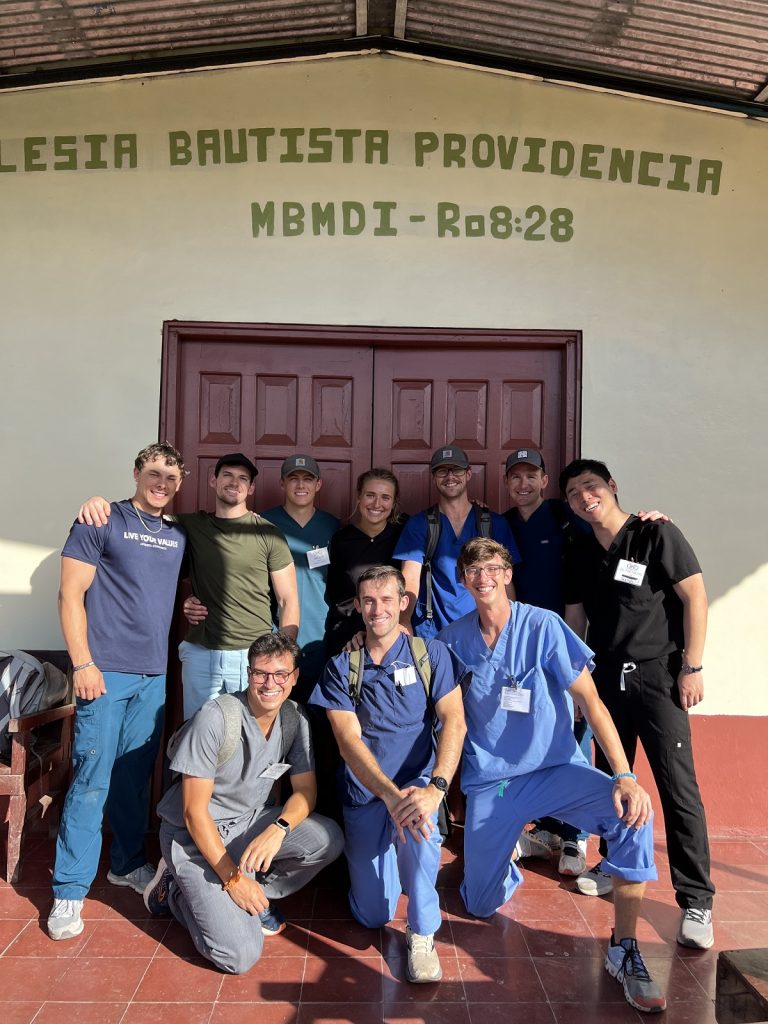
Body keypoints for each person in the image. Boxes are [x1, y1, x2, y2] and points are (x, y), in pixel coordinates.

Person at [438, 538, 666, 1014]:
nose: (483, 577)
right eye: (473, 570)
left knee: (633, 816)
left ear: (506, 574)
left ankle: (625, 949)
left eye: (492, 568)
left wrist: (624, 774)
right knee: (478, 904)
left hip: (557, 768)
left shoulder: (543, 626)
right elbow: (428, 688)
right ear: (463, 579)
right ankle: (503, 860)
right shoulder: (453, 638)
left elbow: (591, 702)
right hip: (494, 782)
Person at [560, 458, 715, 950]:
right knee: (614, 779)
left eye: (592, 486)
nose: (586, 497)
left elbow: (695, 597)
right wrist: (580, 684)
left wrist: (692, 666)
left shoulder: (655, 535)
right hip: (605, 678)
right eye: (574, 493)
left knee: (677, 789)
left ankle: (696, 900)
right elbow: (575, 619)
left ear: (611, 487)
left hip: (658, 679)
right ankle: (614, 864)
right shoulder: (579, 551)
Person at [48, 442, 188, 941]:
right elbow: (69, 594)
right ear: (136, 473)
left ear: (179, 484)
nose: (161, 483)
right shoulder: (100, 519)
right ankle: (68, 890)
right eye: (153, 473)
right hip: (103, 673)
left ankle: (126, 864)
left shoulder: (177, 533)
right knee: (92, 780)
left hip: (153, 675)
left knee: (132, 777)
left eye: (171, 477)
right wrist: (83, 663)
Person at [144, 632, 344, 974]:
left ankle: (252, 894)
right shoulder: (217, 718)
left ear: (294, 677)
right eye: (260, 674)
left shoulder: (294, 719)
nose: (270, 684)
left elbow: (305, 791)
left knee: (327, 839)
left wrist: (279, 829)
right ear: (248, 674)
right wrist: (233, 881)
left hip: (249, 825)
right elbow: (193, 814)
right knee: (238, 957)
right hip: (193, 838)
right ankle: (175, 890)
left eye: (280, 674)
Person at [309, 566, 466, 983]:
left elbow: (454, 721)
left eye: (386, 600)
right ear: (358, 607)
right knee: (373, 915)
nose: (378, 609)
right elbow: (348, 742)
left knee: (420, 825)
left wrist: (435, 788)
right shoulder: (343, 667)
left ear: (403, 603)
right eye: (369, 601)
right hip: (365, 795)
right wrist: (389, 795)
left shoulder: (429, 654)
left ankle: (423, 932)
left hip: (417, 787)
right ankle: (391, 870)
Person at [78, 452, 300, 719]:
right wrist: (100, 503)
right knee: (198, 738)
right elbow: (142, 520)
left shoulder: (268, 533)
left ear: (251, 488)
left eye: (243, 478)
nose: (234, 482)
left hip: (252, 655)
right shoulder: (186, 526)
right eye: (227, 475)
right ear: (213, 481)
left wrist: (281, 661)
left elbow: (288, 600)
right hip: (201, 655)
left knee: (250, 738)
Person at [503, 447, 593, 875]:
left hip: (564, 643)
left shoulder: (565, 517)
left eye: (531, 476)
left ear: (544, 480)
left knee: (575, 737)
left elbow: (608, 525)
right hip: (523, 649)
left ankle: (576, 836)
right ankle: (548, 829)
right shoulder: (502, 524)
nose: (523, 485)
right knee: (533, 735)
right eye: (515, 477)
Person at [393, 444, 520, 638]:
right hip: (433, 632)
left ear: (468, 474)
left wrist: (511, 626)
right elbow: (410, 577)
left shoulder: (493, 523)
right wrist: (403, 621)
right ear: (433, 477)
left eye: (457, 470)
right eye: (442, 471)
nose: (450, 476)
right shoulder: (420, 524)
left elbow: (506, 581)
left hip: (484, 630)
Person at [262, 455, 339, 701]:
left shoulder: (332, 526)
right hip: (273, 636)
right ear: (282, 484)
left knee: (319, 718)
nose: (301, 485)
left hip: (321, 637)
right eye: (293, 479)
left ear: (318, 485)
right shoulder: (263, 524)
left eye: (308, 479)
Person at [323, 468, 406, 657]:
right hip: (346, 641)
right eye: (370, 495)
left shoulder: (405, 533)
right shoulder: (340, 540)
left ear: (394, 503)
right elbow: (336, 595)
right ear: (359, 497)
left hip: (391, 639)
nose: (377, 504)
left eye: (385, 497)